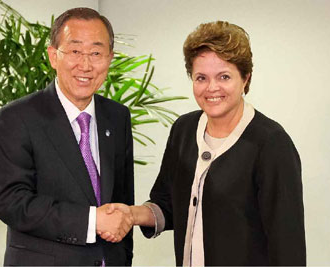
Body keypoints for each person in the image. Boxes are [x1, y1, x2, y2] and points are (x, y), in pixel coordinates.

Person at [101, 21, 306, 266]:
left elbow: (288, 246)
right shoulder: (184, 130)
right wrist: (131, 214)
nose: (212, 88)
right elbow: (168, 205)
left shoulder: (271, 143)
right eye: (201, 77)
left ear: (245, 78)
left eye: (224, 76)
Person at [0, 7, 134, 266]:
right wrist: (92, 220)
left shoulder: (117, 116)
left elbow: (122, 201)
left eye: (96, 53)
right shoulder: (16, 117)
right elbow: (11, 202)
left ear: (109, 59)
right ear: (53, 56)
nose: (86, 64)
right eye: (75, 51)